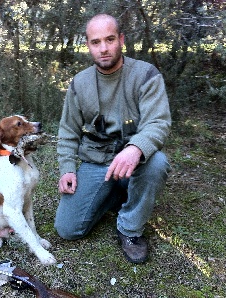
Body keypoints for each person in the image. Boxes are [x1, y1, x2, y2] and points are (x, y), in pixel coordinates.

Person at [54, 13, 171, 264]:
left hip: (135, 160)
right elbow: (68, 131)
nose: (104, 48)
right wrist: (66, 169)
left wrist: (136, 148)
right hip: (97, 159)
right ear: (88, 45)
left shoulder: (146, 75)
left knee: (157, 162)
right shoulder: (79, 83)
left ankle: (130, 229)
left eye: (110, 39)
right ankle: (116, 194)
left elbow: (158, 123)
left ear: (121, 40)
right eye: (96, 42)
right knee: (68, 229)